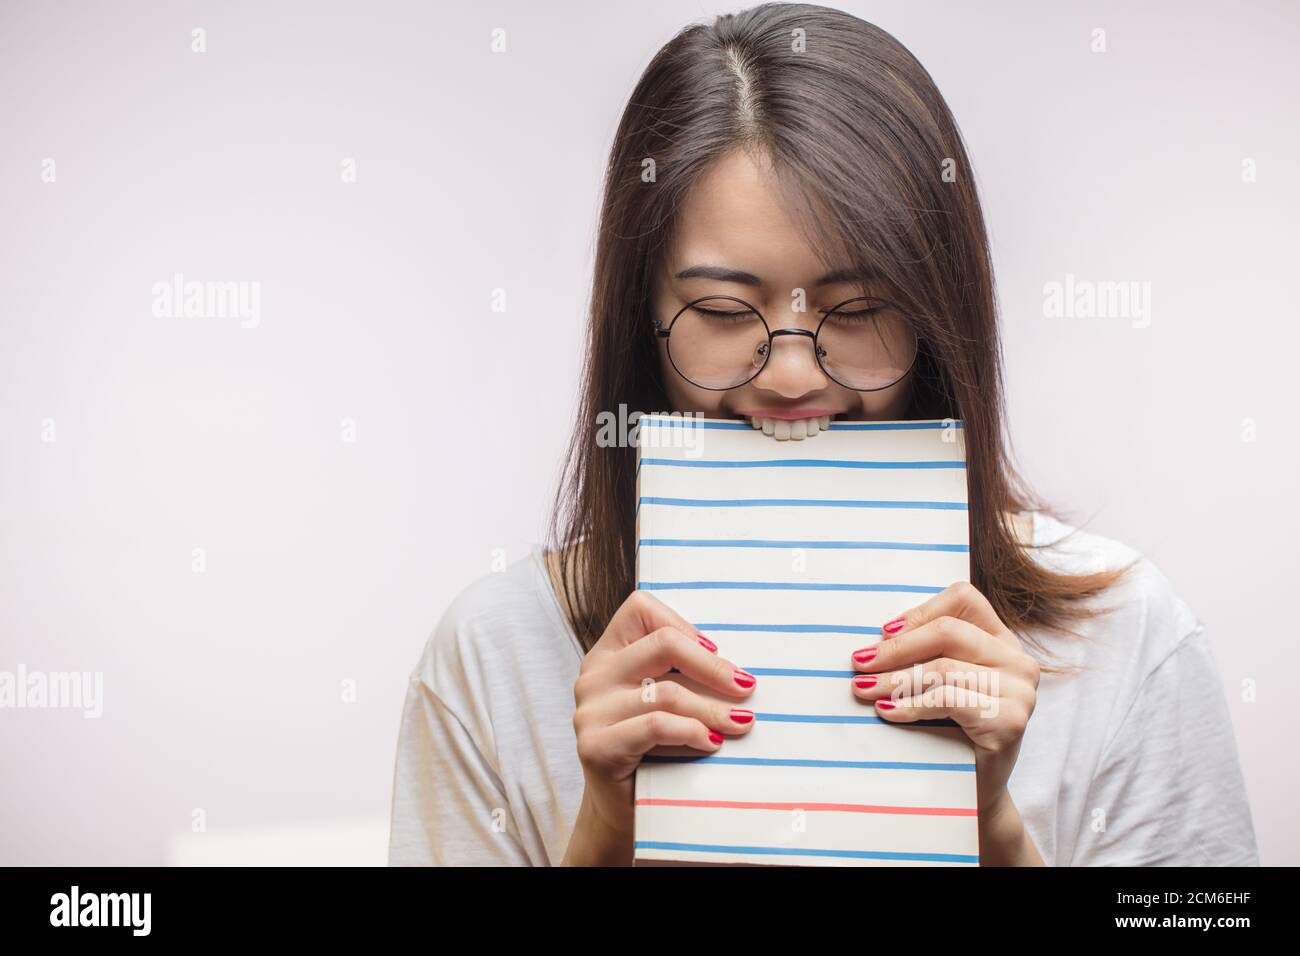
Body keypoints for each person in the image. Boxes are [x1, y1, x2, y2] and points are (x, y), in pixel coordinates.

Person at [387, 3, 1258, 866]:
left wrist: (992, 827)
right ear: (638, 322)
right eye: (724, 310)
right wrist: (608, 834)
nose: (793, 373)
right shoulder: (493, 655)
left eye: (862, 308)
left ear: (936, 315)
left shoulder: (1127, 635)